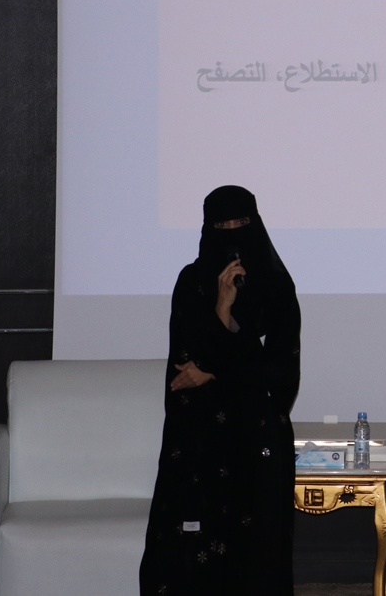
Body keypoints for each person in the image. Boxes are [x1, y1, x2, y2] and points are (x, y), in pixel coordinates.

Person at [139, 185, 301, 596]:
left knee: (256, 550)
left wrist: (214, 372)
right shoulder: (192, 282)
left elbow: (280, 371)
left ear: (256, 224)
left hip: (256, 433)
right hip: (200, 436)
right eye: (221, 225)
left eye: (241, 223)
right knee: (192, 549)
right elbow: (185, 366)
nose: (231, 234)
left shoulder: (277, 287)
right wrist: (222, 310)